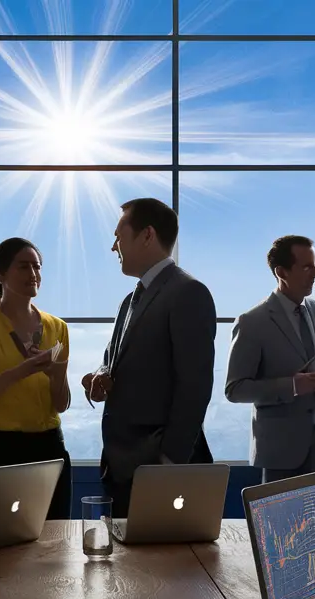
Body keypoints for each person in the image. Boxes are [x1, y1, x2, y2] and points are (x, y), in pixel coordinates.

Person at [82, 198, 216, 517]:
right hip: (123, 467)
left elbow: (195, 386)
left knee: (168, 566)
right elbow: (112, 358)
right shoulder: (130, 300)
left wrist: (168, 464)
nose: (114, 247)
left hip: (160, 469)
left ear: (147, 235)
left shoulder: (188, 292)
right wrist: (103, 375)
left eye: (119, 236)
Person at [225, 235, 315, 521]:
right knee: (280, 543)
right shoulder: (252, 322)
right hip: (281, 452)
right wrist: (293, 386)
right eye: (308, 267)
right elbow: (235, 389)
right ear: (281, 272)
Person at [0, 238, 72, 520]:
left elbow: (61, 404)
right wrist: (21, 371)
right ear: (0, 275)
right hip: (0, 451)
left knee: (54, 544)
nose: (33, 274)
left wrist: (56, 377)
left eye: (37, 267)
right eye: (24, 266)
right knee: (0, 549)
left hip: (50, 448)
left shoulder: (58, 328)